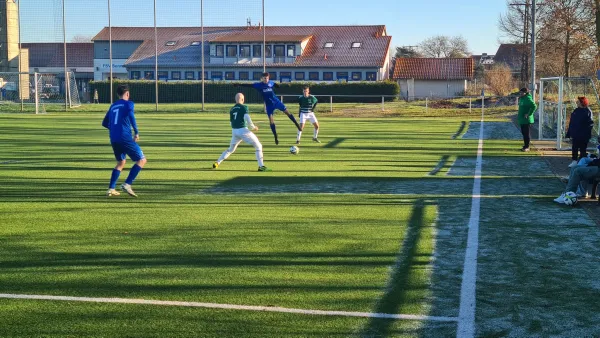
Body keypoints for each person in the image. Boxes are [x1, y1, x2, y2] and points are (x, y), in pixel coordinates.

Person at [102, 85, 147, 197]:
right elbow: (131, 116)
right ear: (127, 94)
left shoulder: (113, 106)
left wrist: (114, 129)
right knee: (142, 160)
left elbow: (104, 123)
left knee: (121, 162)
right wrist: (136, 131)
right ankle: (127, 184)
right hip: (124, 137)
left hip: (113, 137)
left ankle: (111, 189)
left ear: (118, 94)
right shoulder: (129, 103)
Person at [234, 72, 301, 145]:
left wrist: (277, 85)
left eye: (267, 78)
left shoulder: (270, 83)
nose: (266, 79)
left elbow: (275, 84)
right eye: (265, 78)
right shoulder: (259, 85)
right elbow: (249, 85)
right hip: (269, 105)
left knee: (287, 112)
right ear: (262, 78)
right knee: (271, 121)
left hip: (277, 102)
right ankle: (275, 136)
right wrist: (239, 84)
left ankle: (297, 125)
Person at [213, 93, 270, 172]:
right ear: (243, 99)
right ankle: (261, 166)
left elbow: (231, 122)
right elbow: (247, 117)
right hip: (243, 131)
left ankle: (217, 162)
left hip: (234, 131)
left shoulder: (232, 109)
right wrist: (253, 127)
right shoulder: (244, 107)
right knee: (258, 146)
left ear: (235, 100)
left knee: (230, 149)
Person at [566, 96, 594, 168]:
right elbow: (571, 122)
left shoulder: (588, 111)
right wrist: (569, 133)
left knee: (582, 149)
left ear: (582, 102)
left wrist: (585, 132)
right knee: (574, 147)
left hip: (583, 135)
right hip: (575, 134)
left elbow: (590, 124)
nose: (576, 102)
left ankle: (581, 162)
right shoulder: (576, 111)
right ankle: (574, 161)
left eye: (578, 101)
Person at [517, 88, 537, 152]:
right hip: (522, 119)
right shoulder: (521, 98)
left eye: (522, 93)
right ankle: (525, 145)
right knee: (523, 133)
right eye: (520, 92)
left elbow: (534, 106)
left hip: (526, 120)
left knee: (526, 133)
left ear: (525, 93)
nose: (520, 94)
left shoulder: (528, 98)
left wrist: (529, 114)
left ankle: (527, 147)